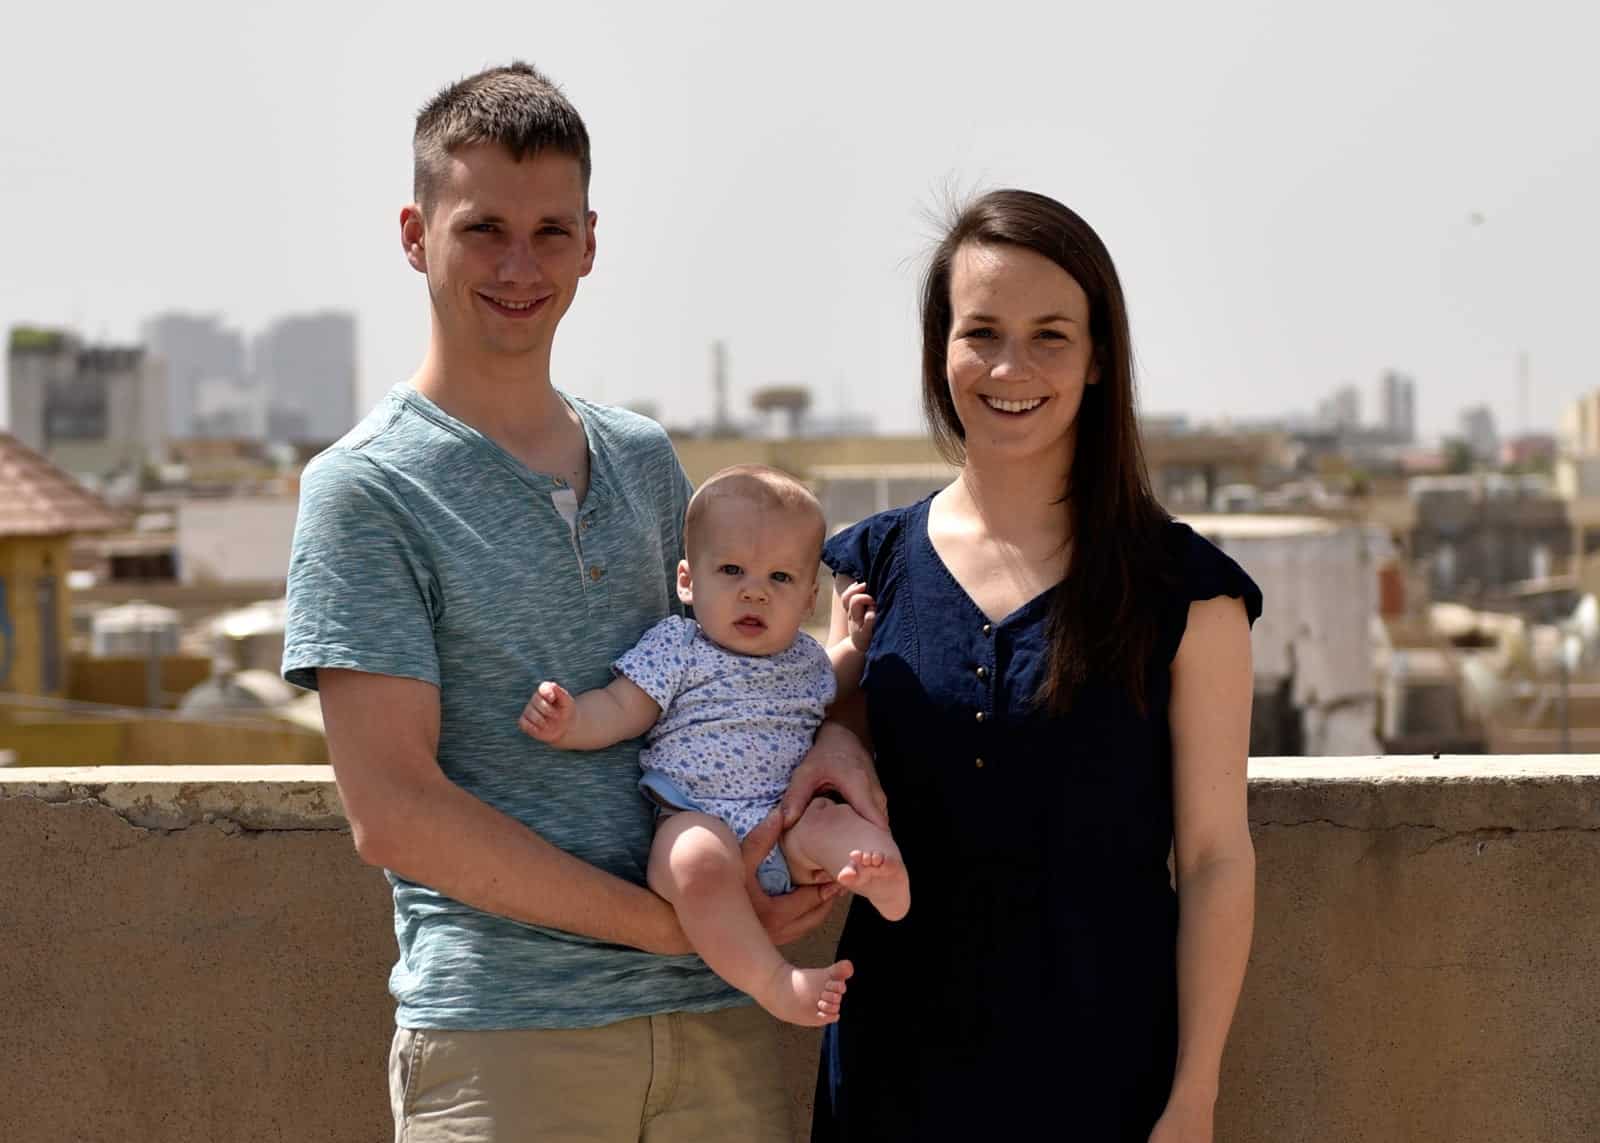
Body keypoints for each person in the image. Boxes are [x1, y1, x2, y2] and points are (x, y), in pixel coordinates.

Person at [281, 63, 884, 1143]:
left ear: (591, 244)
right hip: (509, 1041)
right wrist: (671, 927)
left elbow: (730, 686)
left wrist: (827, 767)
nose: (520, 265)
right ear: (416, 234)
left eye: (552, 231)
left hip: (715, 1020)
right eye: (484, 230)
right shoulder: (362, 490)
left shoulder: (649, 463)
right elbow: (392, 812)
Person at [810, 190, 1262, 1142]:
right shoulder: (868, 568)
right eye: (982, 332)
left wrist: (1196, 1097)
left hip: (1107, 1082)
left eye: (1051, 334)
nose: (1012, 367)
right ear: (943, 352)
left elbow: (1217, 857)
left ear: (1100, 358)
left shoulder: (1189, 593)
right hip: (896, 1077)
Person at [519, 464, 908, 1027]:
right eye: (731, 570)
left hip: (786, 823)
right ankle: (776, 980)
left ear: (806, 602)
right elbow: (623, 708)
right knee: (695, 860)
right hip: (697, 817)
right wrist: (571, 720)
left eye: (780, 578)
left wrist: (854, 642)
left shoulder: (801, 661)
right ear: (687, 580)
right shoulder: (678, 647)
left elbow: (836, 679)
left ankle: (879, 871)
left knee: (831, 819)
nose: (754, 590)